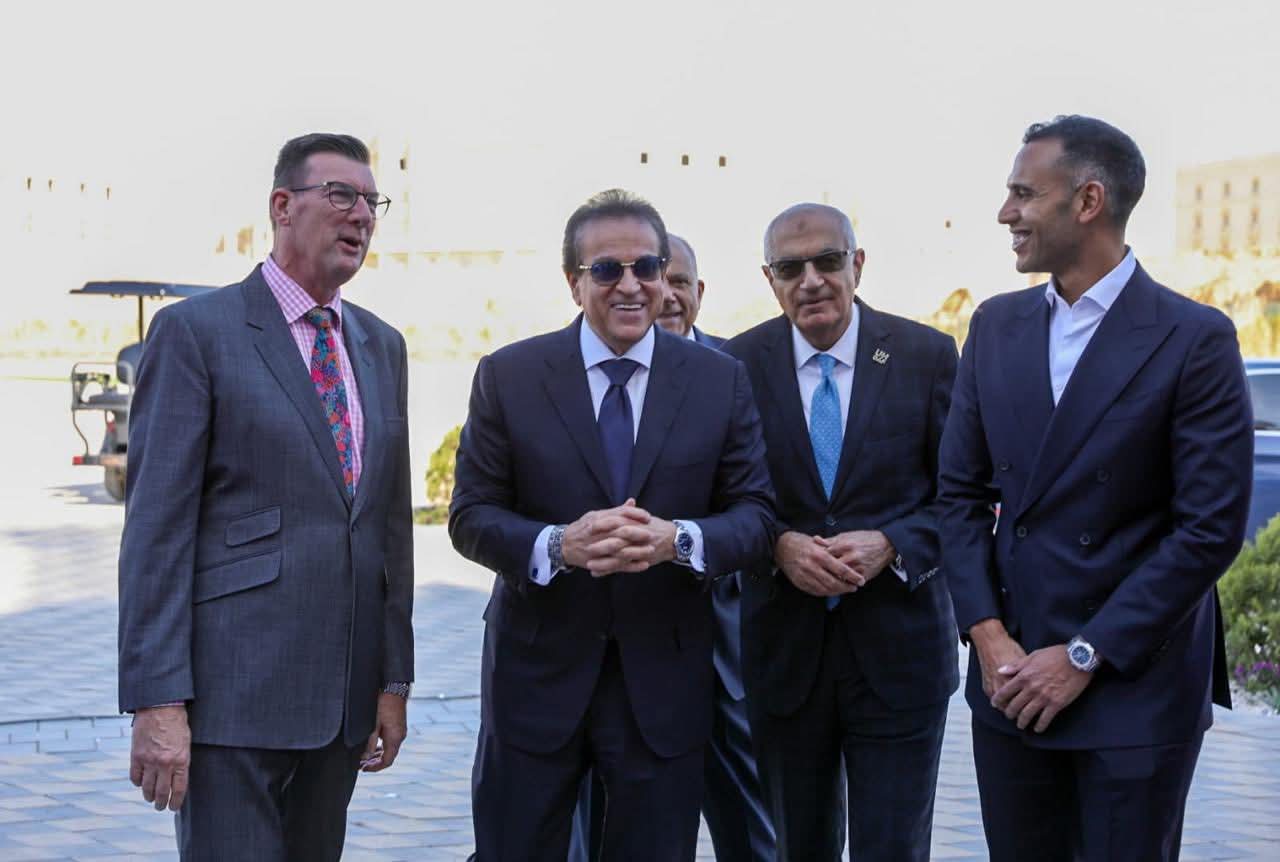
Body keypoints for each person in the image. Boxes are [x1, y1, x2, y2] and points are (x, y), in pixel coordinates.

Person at [937, 115, 1254, 862]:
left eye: (1024, 194)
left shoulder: (1194, 337)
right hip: (1011, 679)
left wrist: (1084, 655)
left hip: (1134, 685)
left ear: (1088, 201)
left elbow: (1208, 529)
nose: (1006, 214)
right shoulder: (995, 325)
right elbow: (957, 497)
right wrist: (987, 636)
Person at [450, 190, 775, 861]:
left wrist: (679, 540)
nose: (630, 285)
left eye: (647, 267)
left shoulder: (719, 381)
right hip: (536, 679)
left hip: (664, 683)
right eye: (606, 270)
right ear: (573, 282)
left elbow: (757, 516)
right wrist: (556, 545)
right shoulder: (510, 376)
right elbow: (471, 516)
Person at [117, 133, 415, 860]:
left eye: (371, 201)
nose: (361, 215)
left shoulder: (382, 346)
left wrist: (392, 679)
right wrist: (158, 701)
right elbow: (157, 533)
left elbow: (389, 530)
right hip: (233, 705)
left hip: (341, 709)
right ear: (283, 206)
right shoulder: (196, 333)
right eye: (340, 195)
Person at [722, 203, 959, 861]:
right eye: (790, 268)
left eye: (827, 261)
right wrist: (778, 546)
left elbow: (963, 498)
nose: (811, 281)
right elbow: (723, 500)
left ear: (857, 264)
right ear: (769, 279)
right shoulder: (736, 366)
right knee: (799, 848)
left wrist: (893, 543)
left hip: (901, 657)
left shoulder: (926, 356)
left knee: (893, 849)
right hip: (784, 659)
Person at [569, 233, 776, 861]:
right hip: (597, 652)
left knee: (751, 823)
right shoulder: (563, 374)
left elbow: (759, 504)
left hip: (722, 650)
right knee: (596, 826)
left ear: (695, 292)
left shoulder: (736, 373)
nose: (665, 296)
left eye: (677, 281)